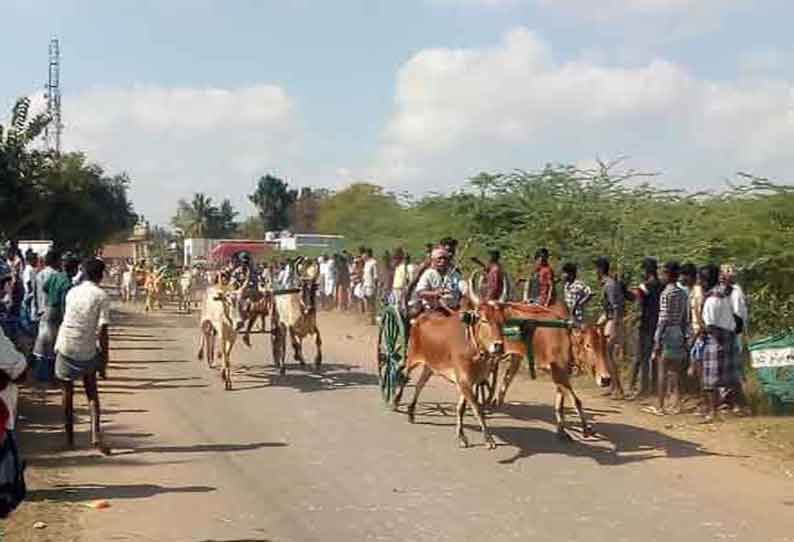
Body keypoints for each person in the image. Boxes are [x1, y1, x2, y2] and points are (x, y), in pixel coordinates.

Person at [54, 258, 111, 454]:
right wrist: (104, 360)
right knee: (92, 393)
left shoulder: (72, 292)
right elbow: (103, 331)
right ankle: (95, 436)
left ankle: (69, 439)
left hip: (66, 345)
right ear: (101, 276)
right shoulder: (101, 296)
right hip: (86, 349)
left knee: (67, 394)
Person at [692, 264, 739, 422]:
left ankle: (712, 412)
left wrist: (699, 323)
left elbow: (710, 325)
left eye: (700, 279)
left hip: (716, 338)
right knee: (728, 377)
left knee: (710, 378)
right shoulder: (723, 293)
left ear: (705, 281)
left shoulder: (712, 299)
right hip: (728, 336)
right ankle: (731, 408)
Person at [646, 261, 688, 416]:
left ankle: (660, 406)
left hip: (667, 333)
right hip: (678, 331)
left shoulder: (666, 293)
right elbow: (685, 317)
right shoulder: (682, 293)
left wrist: (657, 340)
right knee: (676, 371)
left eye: (663, 273)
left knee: (662, 370)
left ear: (668, 275)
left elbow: (662, 318)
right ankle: (677, 404)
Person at [627, 257, 662, 400]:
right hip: (657, 324)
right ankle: (652, 387)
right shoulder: (661, 285)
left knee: (641, 357)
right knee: (652, 357)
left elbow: (638, 304)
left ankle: (640, 388)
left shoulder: (645, 286)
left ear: (646, 270)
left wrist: (633, 319)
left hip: (645, 325)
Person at [719, 264, 748, 413]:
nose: (727, 275)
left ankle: (735, 401)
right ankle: (726, 399)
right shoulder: (720, 291)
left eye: (730, 272)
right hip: (725, 332)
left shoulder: (737, 291)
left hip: (734, 332)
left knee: (734, 367)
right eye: (725, 272)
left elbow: (740, 314)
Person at [596, 256, 625, 399]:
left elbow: (616, 307)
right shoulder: (607, 284)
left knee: (609, 355)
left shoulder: (610, 285)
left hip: (613, 322)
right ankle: (614, 387)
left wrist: (613, 326)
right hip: (609, 320)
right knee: (607, 356)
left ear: (600, 269)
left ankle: (618, 389)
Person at [32, 251, 61, 382]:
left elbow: (35, 293)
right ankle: (49, 375)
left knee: (41, 342)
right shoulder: (56, 276)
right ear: (56, 261)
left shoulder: (39, 274)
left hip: (41, 311)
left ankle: (40, 374)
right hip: (53, 312)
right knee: (52, 344)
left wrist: (37, 310)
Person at [413, 246, 464, 313]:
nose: (443, 261)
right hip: (433, 312)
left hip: (454, 311)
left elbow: (464, 288)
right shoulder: (428, 274)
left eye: (445, 258)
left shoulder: (455, 274)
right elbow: (420, 292)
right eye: (439, 258)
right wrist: (435, 293)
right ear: (433, 260)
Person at [562, 262, 593, 328]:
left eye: (565, 273)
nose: (563, 275)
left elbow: (589, 293)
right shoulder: (566, 285)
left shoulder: (579, 284)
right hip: (568, 316)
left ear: (571, 274)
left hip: (577, 317)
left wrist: (580, 303)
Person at [362, 249, 379, 323]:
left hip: (371, 285)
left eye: (363, 254)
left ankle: (372, 318)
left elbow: (375, 276)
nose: (362, 256)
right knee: (366, 301)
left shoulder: (373, 263)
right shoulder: (366, 263)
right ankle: (368, 317)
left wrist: (375, 286)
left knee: (371, 302)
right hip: (365, 284)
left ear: (367, 254)